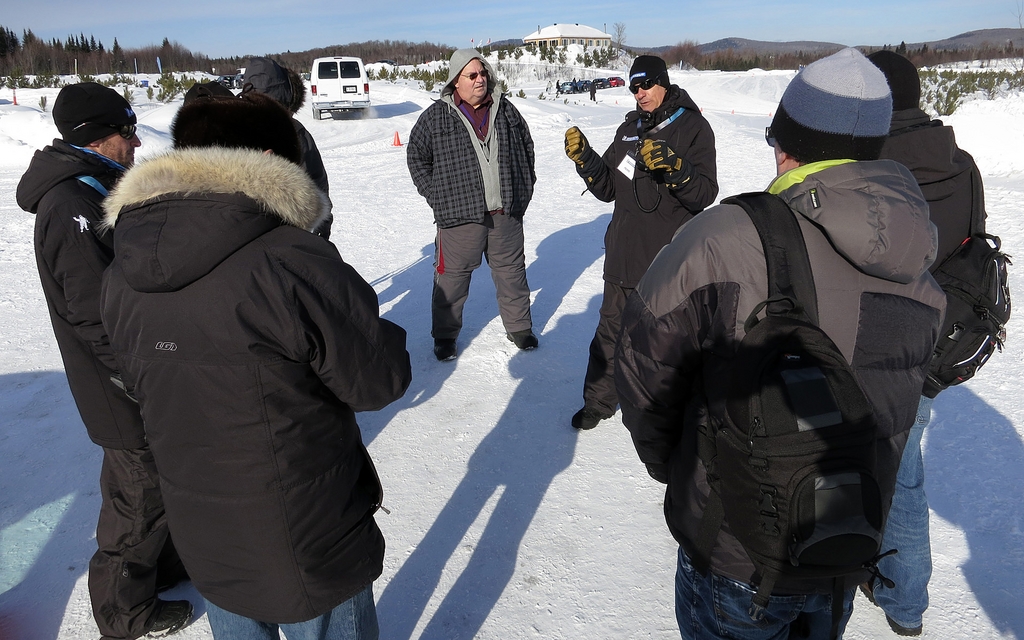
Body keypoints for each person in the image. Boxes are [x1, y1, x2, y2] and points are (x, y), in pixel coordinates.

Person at [614, 48, 948, 639]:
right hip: (842, 543)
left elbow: (644, 363)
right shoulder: (919, 262)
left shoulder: (727, 237)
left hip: (735, 549)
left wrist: (678, 465)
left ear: (785, 145)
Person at [99, 91, 412, 639]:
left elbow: (138, 378)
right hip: (307, 529)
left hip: (202, 526)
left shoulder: (122, 270)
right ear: (270, 160)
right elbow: (379, 378)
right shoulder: (290, 260)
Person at [15, 82, 192, 639]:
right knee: (136, 495)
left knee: (160, 481)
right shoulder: (72, 203)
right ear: (96, 136)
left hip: (137, 373)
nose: (138, 142)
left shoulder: (98, 185)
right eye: (126, 131)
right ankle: (124, 611)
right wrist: (139, 377)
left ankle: (161, 568)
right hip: (118, 384)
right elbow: (96, 316)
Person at [861, 49, 988, 637]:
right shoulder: (960, 161)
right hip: (937, 341)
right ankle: (903, 595)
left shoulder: (867, 166)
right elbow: (972, 245)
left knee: (871, 462)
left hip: (876, 341)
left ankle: (885, 583)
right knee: (903, 464)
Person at [564, 54, 718, 430]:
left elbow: (704, 194)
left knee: (666, 342)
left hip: (667, 260)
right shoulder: (629, 128)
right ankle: (598, 402)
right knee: (610, 332)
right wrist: (585, 160)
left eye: (646, 85)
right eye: (634, 87)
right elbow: (607, 188)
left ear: (663, 82)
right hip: (624, 254)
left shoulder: (694, 127)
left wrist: (676, 169)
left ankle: (668, 414)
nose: (640, 93)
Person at [408, 48, 538, 361]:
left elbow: (527, 147)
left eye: (483, 73)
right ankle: (445, 337)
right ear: (456, 82)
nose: (480, 80)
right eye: (472, 75)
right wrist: (437, 196)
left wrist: (524, 186)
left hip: (505, 212)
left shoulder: (505, 110)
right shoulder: (435, 117)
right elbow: (416, 157)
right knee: (451, 281)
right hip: (459, 217)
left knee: (512, 274)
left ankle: (520, 328)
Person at [244, 56, 334, 238]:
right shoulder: (295, 131)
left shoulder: (227, 123)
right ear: (285, 91)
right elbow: (317, 183)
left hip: (239, 234)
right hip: (285, 234)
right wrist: (322, 228)